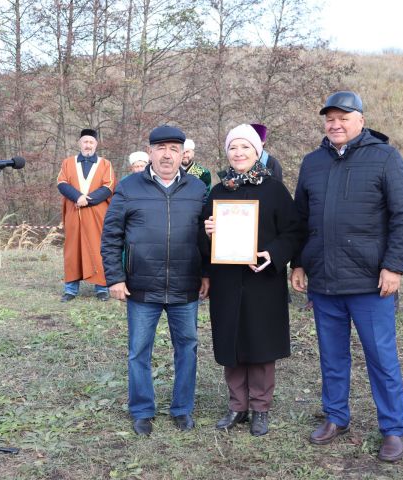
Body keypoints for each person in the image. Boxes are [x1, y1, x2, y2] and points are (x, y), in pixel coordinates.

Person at [290, 91, 403, 462]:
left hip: (369, 282)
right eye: (330, 118)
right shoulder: (312, 162)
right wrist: (298, 262)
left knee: (381, 357)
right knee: (332, 356)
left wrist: (394, 266)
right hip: (325, 280)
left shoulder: (385, 157)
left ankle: (393, 428)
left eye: (343, 117)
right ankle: (336, 416)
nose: (336, 124)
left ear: (360, 120)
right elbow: (302, 220)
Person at [100, 125, 209, 435]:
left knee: (187, 347)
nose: (167, 154)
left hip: (185, 285)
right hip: (141, 285)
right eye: (160, 148)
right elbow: (111, 235)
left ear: (182, 154)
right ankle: (142, 410)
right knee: (139, 350)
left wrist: (205, 274)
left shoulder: (197, 189)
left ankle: (182, 409)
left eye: (174, 148)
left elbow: (207, 238)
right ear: (149, 152)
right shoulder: (128, 186)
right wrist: (115, 278)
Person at [203, 124, 302, 437]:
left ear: (257, 151)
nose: (239, 153)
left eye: (245, 147)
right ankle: (237, 406)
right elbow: (202, 242)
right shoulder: (218, 192)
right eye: (233, 147)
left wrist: (272, 254)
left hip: (263, 281)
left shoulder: (274, 189)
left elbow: (294, 231)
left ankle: (260, 408)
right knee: (230, 343)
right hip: (227, 281)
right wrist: (207, 233)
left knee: (260, 345)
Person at [57, 128, 115, 302]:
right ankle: (70, 289)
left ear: (96, 144)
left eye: (91, 142)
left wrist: (87, 200)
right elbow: (61, 183)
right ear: (79, 143)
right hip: (74, 213)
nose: (88, 145)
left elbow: (108, 187)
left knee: (99, 248)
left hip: (97, 214)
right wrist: (78, 197)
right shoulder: (68, 162)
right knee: (72, 249)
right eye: (85, 142)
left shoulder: (105, 164)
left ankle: (102, 287)